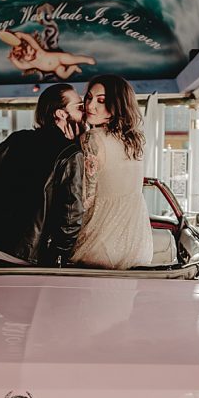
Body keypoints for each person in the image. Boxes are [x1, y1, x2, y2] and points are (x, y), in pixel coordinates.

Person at [0, 83, 86, 266]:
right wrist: (56, 259)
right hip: (18, 254)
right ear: (61, 113)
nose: (85, 113)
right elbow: (70, 219)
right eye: (79, 107)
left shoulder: (16, 139)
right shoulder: (70, 154)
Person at [70, 74, 154, 270]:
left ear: (117, 104)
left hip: (99, 242)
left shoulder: (92, 138)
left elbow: (85, 199)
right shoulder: (136, 140)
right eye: (89, 98)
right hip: (137, 244)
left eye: (101, 101)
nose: (90, 106)